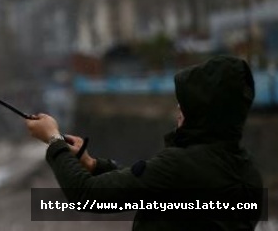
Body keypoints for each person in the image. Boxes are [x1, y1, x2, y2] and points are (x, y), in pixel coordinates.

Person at [25, 56, 264, 230]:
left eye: (187, 103)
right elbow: (155, 191)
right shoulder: (246, 172)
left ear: (206, 111)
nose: (179, 108)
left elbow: (87, 194)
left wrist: (53, 140)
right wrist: (93, 165)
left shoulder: (180, 166)